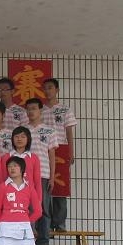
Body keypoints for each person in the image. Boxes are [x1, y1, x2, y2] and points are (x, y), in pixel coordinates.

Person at [42, 78, 77, 231]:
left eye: (50, 87)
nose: (47, 91)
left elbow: (69, 132)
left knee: (61, 188)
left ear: (57, 90)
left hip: (61, 149)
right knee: (46, 187)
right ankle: (47, 224)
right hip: (44, 150)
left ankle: (60, 223)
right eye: (45, 88)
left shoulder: (65, 109)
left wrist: (70, 152)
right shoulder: (40, 110)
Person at [25, 98, 58, 245]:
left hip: (43, 174)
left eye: (34, 108)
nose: (31, 111)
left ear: (40, 110)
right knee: (27, 208)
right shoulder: (22, 131)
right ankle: (27, 240)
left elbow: (52, 155)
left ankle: (43, 242)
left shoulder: (49, 131)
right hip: (25, 176)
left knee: (44, 208)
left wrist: (52, 177)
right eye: (28, 109)